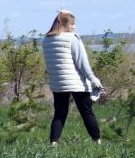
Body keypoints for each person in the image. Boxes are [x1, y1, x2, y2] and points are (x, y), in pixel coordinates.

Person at [41, 10, 104, 145]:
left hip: (58, 83)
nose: (74, 26)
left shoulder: (46, 40)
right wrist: (93, 79)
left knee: (60, 113)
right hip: (77, 82)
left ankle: (53, 143)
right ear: (65, 24)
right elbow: (82, 63)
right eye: (72, 23)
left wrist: (65, 13)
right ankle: (97, 141)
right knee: (86, 112)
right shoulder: (72, 38)